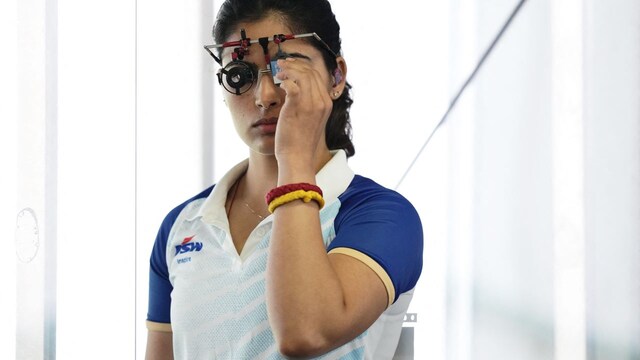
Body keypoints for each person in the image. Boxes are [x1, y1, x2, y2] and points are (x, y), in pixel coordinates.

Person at [145, 0, 423, 358]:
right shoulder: (182, 226)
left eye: (286, 70)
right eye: (240, 75)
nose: (265, 96)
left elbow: (305, 333)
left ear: (335, 76)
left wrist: (293, 159)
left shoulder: (383, 217)